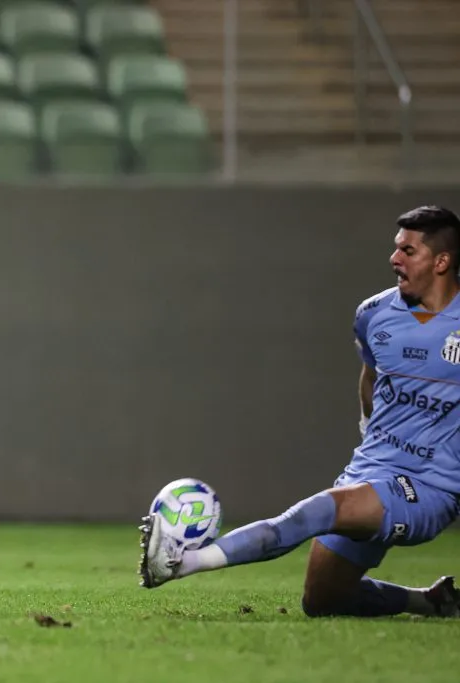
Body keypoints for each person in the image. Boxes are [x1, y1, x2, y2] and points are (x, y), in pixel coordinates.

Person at [140, 205, 460, 618]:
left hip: (429, 486)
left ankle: (180, 563)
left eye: (408, 251)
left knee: (321, 511)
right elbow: (370, 376)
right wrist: (368, 431)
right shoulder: (374, 314)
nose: (394, 259)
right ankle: (432, 601)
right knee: (323, 601)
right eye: (395, 247)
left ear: (441, 261)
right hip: (371, 469)